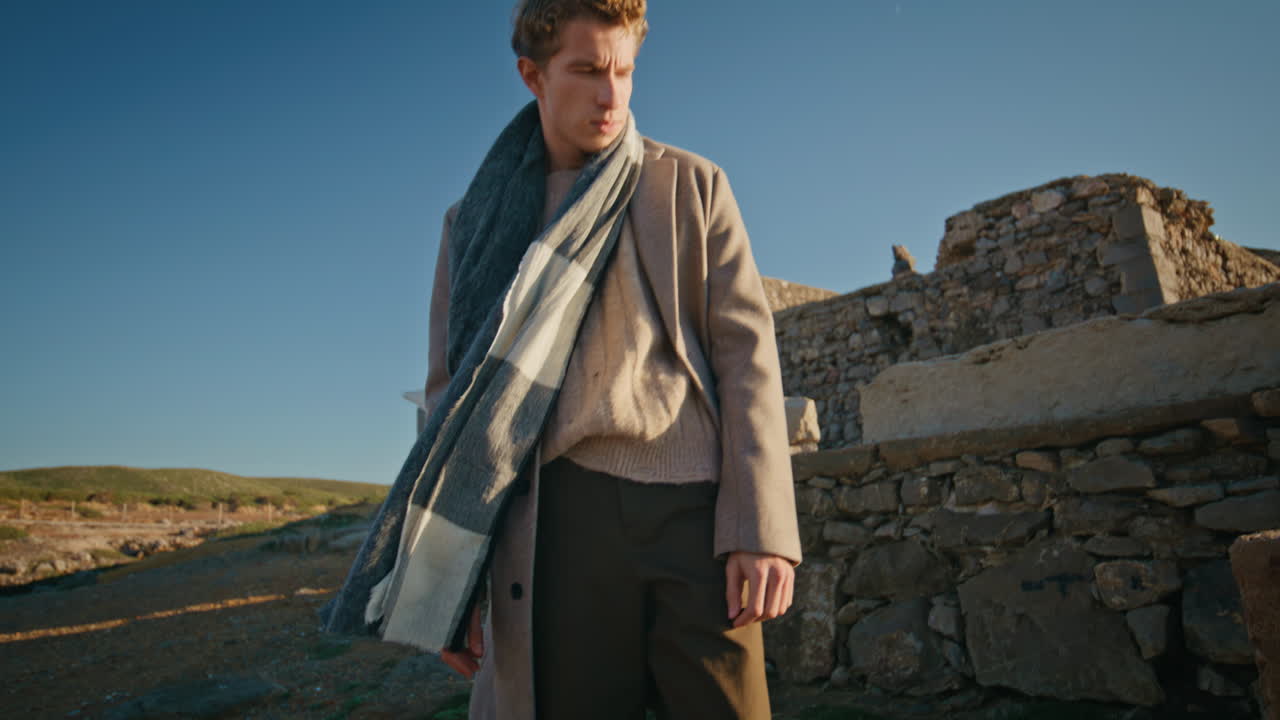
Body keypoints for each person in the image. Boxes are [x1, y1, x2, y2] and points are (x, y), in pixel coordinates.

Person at [419, 1, 801, 718]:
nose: (612, 94)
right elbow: (449, 402)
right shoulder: (471, 224)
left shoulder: (692, 186)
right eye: (588, 70)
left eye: (625, 70)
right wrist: (447, 579)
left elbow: (747, 360)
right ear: (533, 75)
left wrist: (760, 530)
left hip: (696, 512)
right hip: (557, 522)